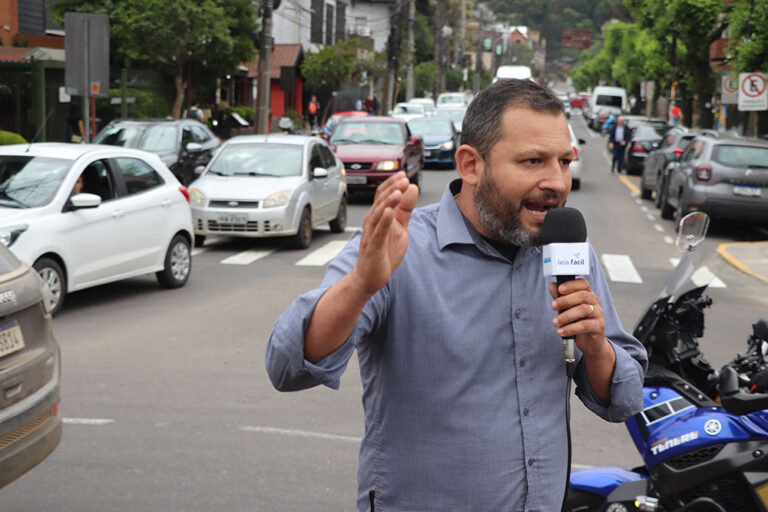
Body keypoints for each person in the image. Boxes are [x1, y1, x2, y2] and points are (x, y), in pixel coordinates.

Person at [266, 79, 646, 511]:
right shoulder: (398, 245)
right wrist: (359, 286)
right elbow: (287, 366)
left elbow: (625, 399)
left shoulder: (569, 253)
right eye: (533, 161)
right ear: (470, 165)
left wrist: (597, 348)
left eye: (564, 161)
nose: (557, 182)